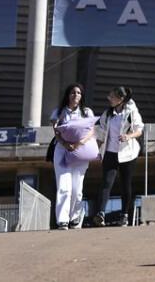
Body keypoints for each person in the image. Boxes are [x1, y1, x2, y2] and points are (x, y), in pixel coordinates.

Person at [93, 86, 145, 227]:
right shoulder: (107, 114)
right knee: (106, 182)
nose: (109, 99)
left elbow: (139, 130)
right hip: (110, 152)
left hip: (128, 153)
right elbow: (101, 134)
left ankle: (124, 215)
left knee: (125, 184)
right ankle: (100, 214)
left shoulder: (131, 112)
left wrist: (128, 136)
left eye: (112, 97)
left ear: (121, 99)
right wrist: (95, 150)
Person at [48, 83, 95, 230]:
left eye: (79, 93)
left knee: (76, 189)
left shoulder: (86, 112)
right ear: (68, 95)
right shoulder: (59, 111)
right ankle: (62, 220)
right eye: (73, 93)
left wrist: (80, 143)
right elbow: (56, 130)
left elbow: (92, 131)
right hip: (62, 150)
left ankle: (75, 216)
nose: (76, 95)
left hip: (80, 151)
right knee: (64, 186)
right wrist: (64, 142)